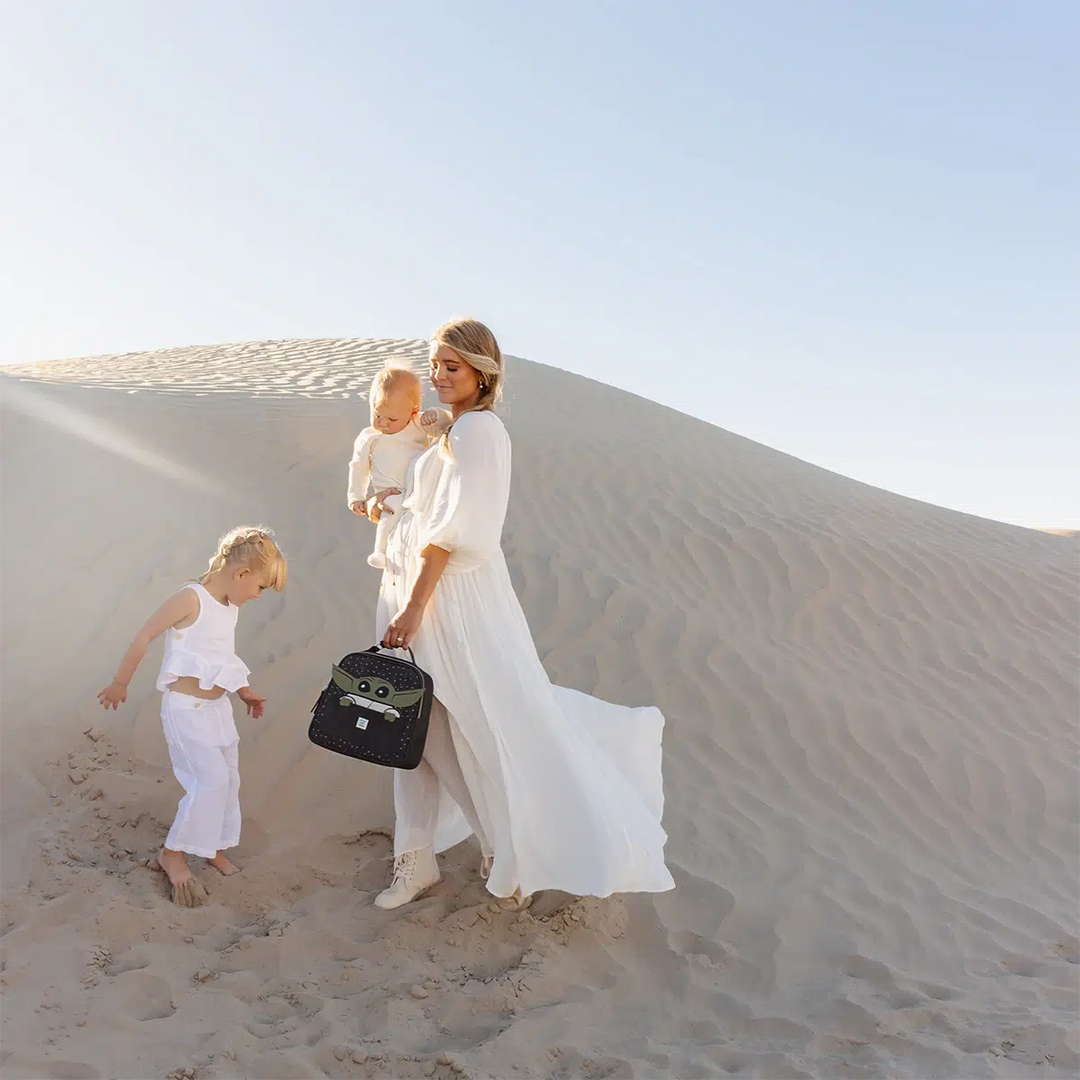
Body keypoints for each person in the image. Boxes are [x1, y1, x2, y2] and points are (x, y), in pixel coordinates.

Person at [373, 318, 675, 910]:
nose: (437, 376)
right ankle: (416, 862)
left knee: (476, 727)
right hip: (411, 593)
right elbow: (426, 511)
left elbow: (458, 532)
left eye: (451, 367)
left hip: (446, 602)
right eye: (434, 364)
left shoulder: (481, 432)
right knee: (412, 730)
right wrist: (391, 504)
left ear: (483, 373)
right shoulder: (453, 432)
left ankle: (506, 849)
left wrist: (413, 608)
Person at [97, 527, 287, 907]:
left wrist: (243, 692)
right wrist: (120, 682)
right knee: (210, 782)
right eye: (261, 587)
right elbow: (145, 635)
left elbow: (219, 658)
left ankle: (210, 844)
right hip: (186, 712)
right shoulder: (191, 598)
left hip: (217, 711)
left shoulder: (228, 607)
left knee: (229, 779)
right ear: (242, 574)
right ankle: (173, 854)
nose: (258, 596)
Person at [347, 363, 450, 569]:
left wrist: (437, 415)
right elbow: (358, 468)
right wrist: (356, 496)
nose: (383, 423)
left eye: (392, 418)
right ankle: (380, 551)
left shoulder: (417, 424)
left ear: (413, 412)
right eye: (377, 415)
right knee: (391, 510)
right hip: (389, 494)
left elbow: (446, 426)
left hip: (419, 489)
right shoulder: (369, 437)